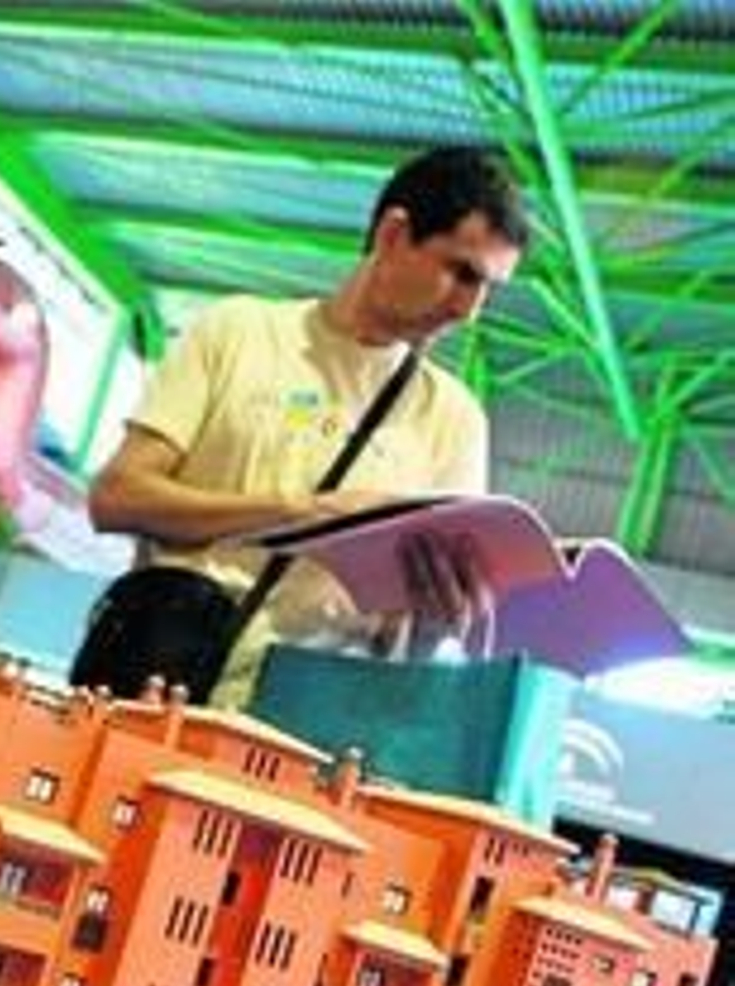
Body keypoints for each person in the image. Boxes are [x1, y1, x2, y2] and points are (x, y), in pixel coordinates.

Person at [79, 145, 528, 708]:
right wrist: (303, 513)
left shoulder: (454, 421)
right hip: (156, 686)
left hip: (305, 720)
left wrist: (442, 622)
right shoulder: (238, 332)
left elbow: (413, 645)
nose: (469, 308)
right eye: (461, 272)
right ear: (393, 234)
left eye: (488, 288)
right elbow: (116, 498)